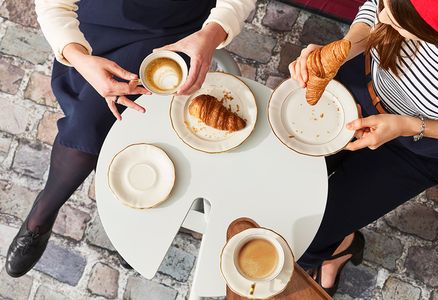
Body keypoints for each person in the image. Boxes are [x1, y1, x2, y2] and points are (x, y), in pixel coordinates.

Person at [6, 0, 256, 277]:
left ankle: (129, 218)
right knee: (88, 124)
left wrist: (212, 33)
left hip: (175, 33)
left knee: (151, 130)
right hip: (97, 30)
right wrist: (79, 58)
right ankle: (44, 212)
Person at [289, 0, 438, 296]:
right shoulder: (388, 12)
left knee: (308, 235)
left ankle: (331, 249)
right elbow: (374, 9)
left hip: (416, 148)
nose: (383, 17)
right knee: (286, 187)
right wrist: (344, 49)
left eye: (400, 19)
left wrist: (408, 126)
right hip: (356, 89)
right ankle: (339, 244)